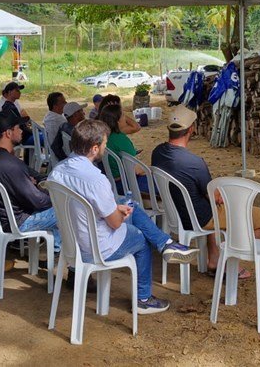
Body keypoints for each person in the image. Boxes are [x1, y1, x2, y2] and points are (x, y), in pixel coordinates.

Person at [47, 119, 197, 314]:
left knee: (130, 205)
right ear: (94, 148)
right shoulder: (96, 179)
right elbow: (115, 223)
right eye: (104, 144)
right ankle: (143, 298)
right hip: (97, 247)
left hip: (72, 243)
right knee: (141, 238)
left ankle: (166, 244)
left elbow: (82, 204)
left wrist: (117, 208)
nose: (105, 147)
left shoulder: (57, 172)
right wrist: (120, 213)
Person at [151, 106, 260, 275]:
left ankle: (214, 258)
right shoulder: (194, 163)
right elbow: (216, 197)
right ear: (191, 129)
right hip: (198, 218)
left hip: (176, 213)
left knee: (210, 205)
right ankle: (227, 263)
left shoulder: (157, 152)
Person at [0, 111, 59, 249]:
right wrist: (53, 195)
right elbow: (38, 201)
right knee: (69, 209)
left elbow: (26, 176)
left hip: (3, 216)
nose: (22, 131)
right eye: (18, 128)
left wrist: (32, 182)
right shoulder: (11, 165)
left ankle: (57, 246)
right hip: (20, 221)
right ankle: (61, 252)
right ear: (8, 133)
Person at [99, 104, 149, 195]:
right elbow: (137, 170)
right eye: (123, 115)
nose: (125, 118)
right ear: (117, 121)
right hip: (125, 183)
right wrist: (150, 170)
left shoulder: (103, 136)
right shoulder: (120, 139)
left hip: (111, 182)